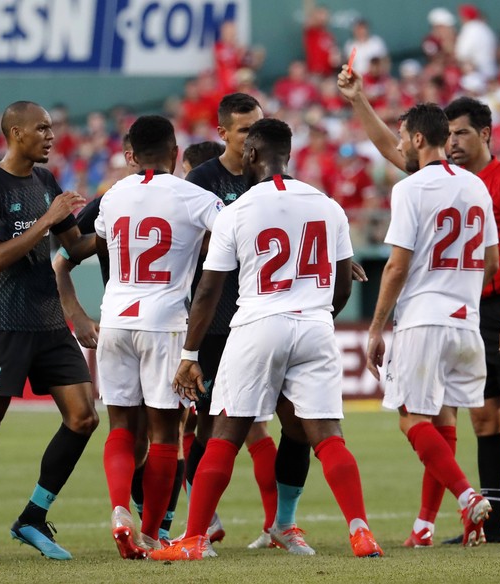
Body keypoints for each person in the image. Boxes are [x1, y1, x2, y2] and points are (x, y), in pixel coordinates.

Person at [338, 69, 500, 543]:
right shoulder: (468, 184)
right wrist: (359, 101)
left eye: (462, 133)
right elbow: (397, 151)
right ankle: (484, 523)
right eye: (448, 133)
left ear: (484, 135)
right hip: (470, 312)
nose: (453, 141)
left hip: (499, 309)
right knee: (479, 417)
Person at [152, 118, 383, 561]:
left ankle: (195, 539)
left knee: (225, 432)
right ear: (290, 154)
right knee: (327, 435)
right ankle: (361, 532)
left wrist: (190, 354)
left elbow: (208, 291)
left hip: (258, 324)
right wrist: (318, 313)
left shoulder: (235, 211)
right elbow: (344, 285)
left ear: (252, 156)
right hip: (315, 326)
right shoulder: (327, 205)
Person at [0, 101, 99, 563]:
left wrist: (119, 222)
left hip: (49, 321)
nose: (51, 136)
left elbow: (76, 245)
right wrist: (46, 221)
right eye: (42, 129)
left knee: (84, 417)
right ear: (15, 133)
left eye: (52, 128)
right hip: (4, 321)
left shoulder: (45, 181)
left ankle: (33, 516)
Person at [184, 93, 314, 554]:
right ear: (223, 134)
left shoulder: (281, 183)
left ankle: (282, 523)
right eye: (243, 129)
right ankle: (199, 523)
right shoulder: (200, 181)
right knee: (213, 427)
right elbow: (190, 249)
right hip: (219, 323)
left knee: (291, 422)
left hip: (269, 319)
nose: (252, 136)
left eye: (257, 127)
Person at [366, 103, 500, 548]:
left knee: (410, 420)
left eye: (403, 137)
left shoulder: (411, 189)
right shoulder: (477, 186)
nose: (400, 144)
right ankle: (423, 528)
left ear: (419, 139)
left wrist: (376, 327)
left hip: (423, 319)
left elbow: (396, 267)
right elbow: (493, 261)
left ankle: (466, 496)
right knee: (443, 421)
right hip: (466, 321)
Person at [94, 115, 224, 559]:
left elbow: (99, 239)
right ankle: (149, 533)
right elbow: (231, 238)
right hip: (163, 320)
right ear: (174, 152)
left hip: (114, 316)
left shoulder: (113, 195)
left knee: (120, 427)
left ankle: (118, 510)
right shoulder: (194, 196)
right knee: (165, 431)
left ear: (132, 152)